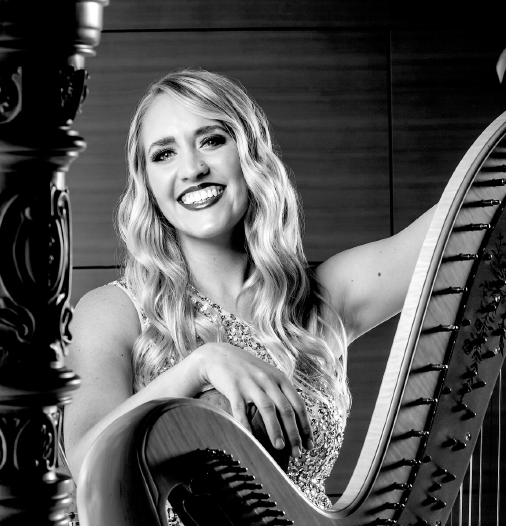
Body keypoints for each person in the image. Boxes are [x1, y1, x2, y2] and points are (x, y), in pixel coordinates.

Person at [63, 68, 435, 524]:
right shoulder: (114, 312)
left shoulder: (318, 301)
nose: (192, 168)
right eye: (164, 153)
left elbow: (454, 232)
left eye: (211, 140)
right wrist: (199, 367)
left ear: (249, 154)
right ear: (148, 185)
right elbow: (86, 465)